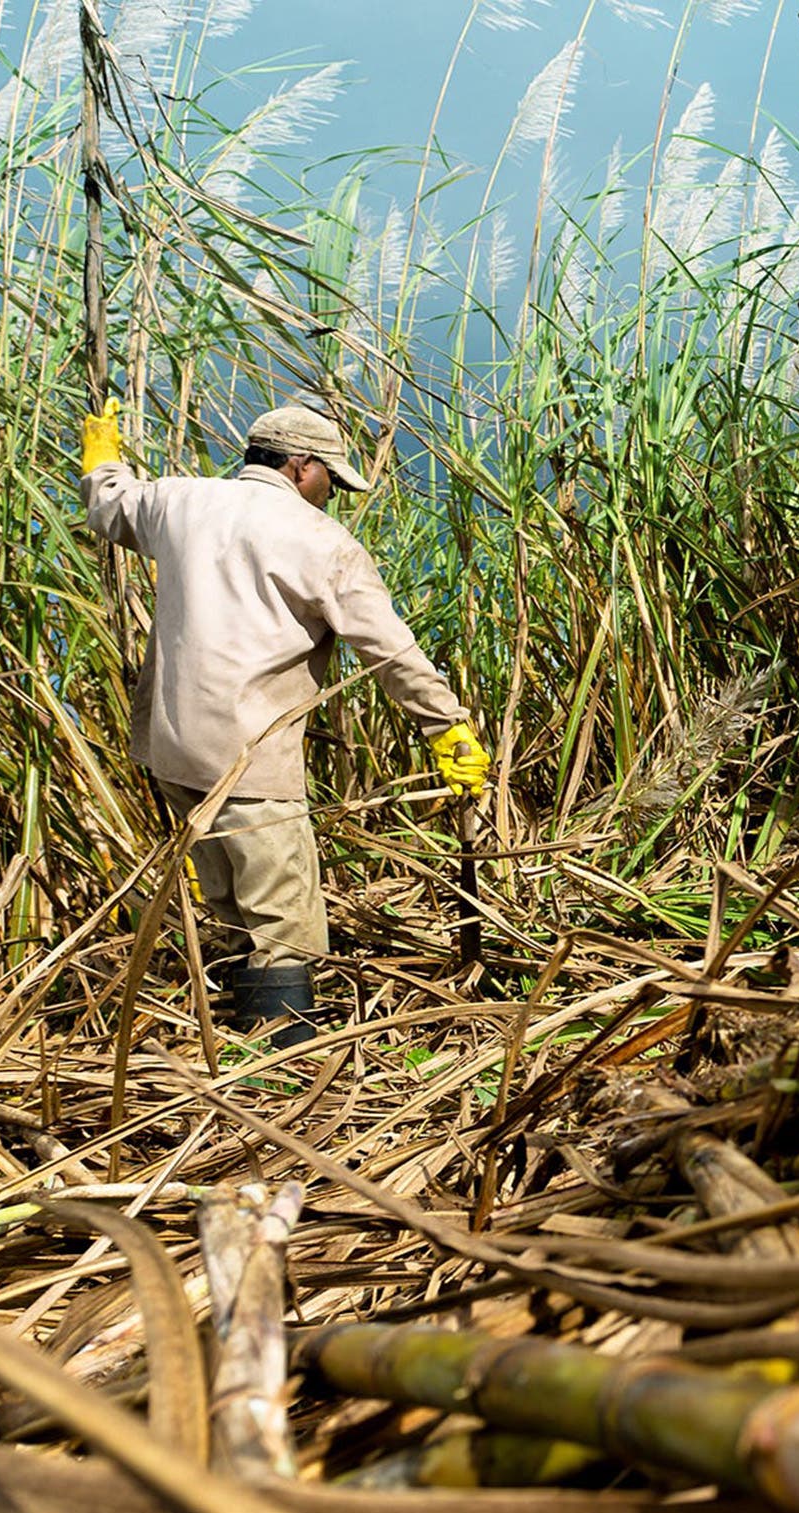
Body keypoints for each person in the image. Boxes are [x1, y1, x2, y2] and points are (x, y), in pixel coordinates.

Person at [78, 399, 490, 1047]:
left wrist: (103, 454)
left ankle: (239, 1049)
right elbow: (389, 649)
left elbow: (110, 505)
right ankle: (287, 1070)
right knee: (285, 924)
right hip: (251, 759)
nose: (335, 494)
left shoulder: (178, 502)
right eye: (332, 477)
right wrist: (447, 727)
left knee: (232, 908)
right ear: (302, 467)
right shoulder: (321, 541)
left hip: (172, 749)